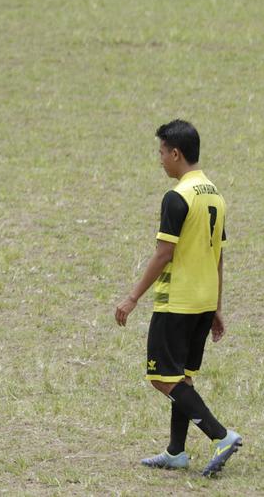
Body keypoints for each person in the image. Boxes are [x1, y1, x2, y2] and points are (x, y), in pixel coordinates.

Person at [114, 119, 242, 477]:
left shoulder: (177, 197)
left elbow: (163, 253)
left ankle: (221, 435)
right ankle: (176, 452)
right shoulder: (215, 193)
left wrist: (132, 297)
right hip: (203, 302)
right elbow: (218, 254)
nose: (159, 160)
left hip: (178, 303)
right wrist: (217, 307)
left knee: (161, 378)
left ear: (176, 153)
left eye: (161, 152)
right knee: (183, 378)